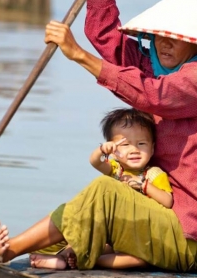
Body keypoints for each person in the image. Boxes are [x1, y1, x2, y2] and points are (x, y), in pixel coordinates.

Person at [0, 0, 197, 273]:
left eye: (176, 38)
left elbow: (151, 95)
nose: (164, 44)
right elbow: (103, 31)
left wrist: (78, 55)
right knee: (79, 209)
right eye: (160, 36)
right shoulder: (155, 67)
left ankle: (7, 252)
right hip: (160, 215)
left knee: (105, 192)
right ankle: (5, 252)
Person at [29, 107, 173, 269]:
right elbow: (95, 162)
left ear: (152, 148)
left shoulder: (153, 175)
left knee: (140, 260)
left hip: (136, 235)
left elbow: (167, 201)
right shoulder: (115, 169)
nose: (134, 150)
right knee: (82, 241)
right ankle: (62, 258)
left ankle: (92, 260)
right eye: (125, 144)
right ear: (113, 150)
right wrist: (101, 150)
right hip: (109, 231)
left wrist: (144, 186)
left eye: (141, 144)